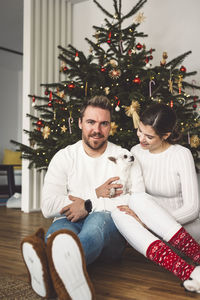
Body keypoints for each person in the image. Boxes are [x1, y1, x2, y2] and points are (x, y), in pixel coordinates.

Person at [20, 95, 145, 300]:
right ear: (80, 123)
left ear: (110, 125)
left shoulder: (124, 157)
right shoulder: (64, 157)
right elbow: (48, 206)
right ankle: (61, 274)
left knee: (97, 221)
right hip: (68, 219)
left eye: (104, 123)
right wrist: (94, 195)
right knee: (60, 236)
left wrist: (87, 205)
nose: (97, 130)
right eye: (91, 122)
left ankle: (46, 268)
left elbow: (137, 202)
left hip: (109, 230)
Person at [112, 103, 200, 293]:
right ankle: (189, 272)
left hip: (184, 229)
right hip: (152, 232)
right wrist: (143, 219)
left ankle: (198, 256)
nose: (141, 139)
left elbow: (192, 209)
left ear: (165, 135)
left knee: (137, 201)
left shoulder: (181, 155)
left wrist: (150, 223)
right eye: (139, 131)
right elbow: (135, 194)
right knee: (119, 211)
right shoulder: (134, 152)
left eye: (149, 136)